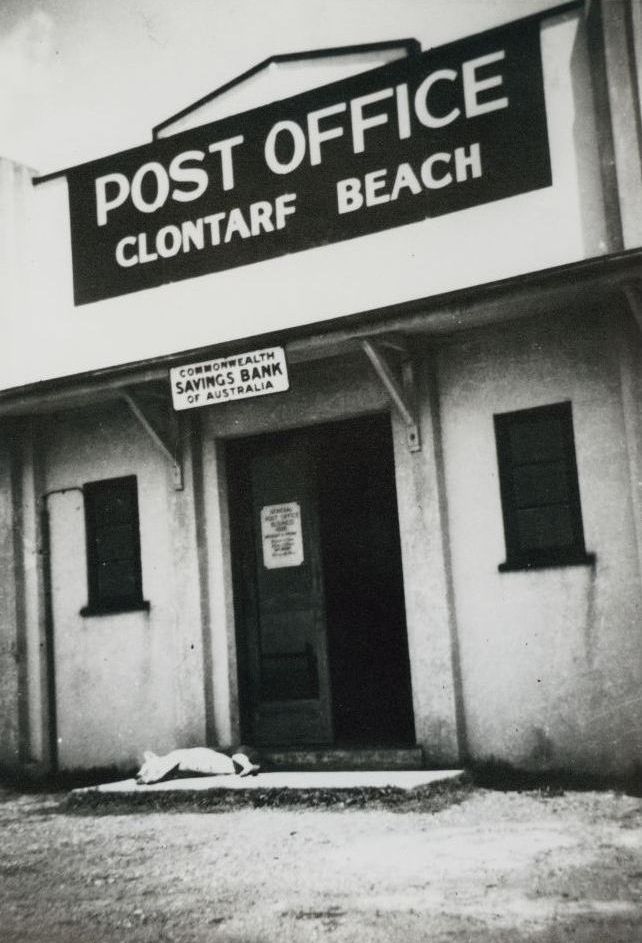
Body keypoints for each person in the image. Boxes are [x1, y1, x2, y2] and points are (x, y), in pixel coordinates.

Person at [135, 746, 260, 785]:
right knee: (235, 760)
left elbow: (166, 769)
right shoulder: (171, 759)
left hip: (211, 760)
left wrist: (149, 778)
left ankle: (247, 766)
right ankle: (247, 766)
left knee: (237, 759)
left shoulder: (171, 758)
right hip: (209, 760)